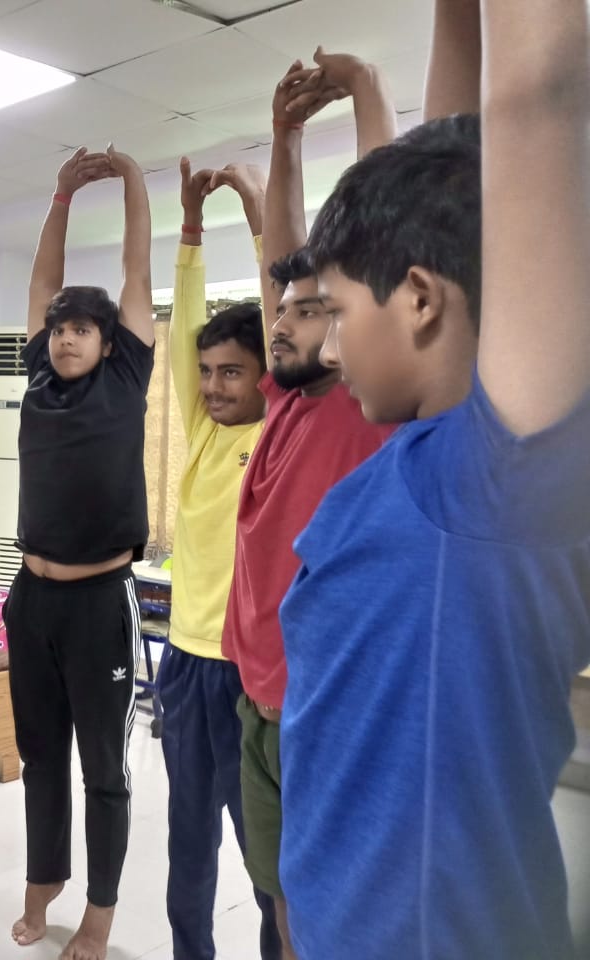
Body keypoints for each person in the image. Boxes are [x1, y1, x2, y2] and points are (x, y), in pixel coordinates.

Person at [278, 0, 590, 956]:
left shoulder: (489, 485)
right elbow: (453, 175)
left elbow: (533, 99)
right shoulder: (424, 452)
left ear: (417, 299)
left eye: (335, 313)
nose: (328, 348)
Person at [220, 52, 399, 958]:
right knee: (279, 901)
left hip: (327, 710)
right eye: (282, 310)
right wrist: (284, 135)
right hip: (258, 701)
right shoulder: (287, 398)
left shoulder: (366, 411)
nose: (281, 322)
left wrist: (366, 92)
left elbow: (389, 231)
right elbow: (279, 256)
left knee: (332, 914)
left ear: (354, 323)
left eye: (307, 311)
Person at [4, 145, 150, 960]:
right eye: (59, 328)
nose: (64, 338)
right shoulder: (37, 378)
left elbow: (137, 269)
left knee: (103, 768)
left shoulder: (125, 378)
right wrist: (59, 193)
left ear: (107, 340)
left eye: (81, 329)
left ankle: (99, 912)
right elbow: (40, 283)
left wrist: (130, 179)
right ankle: (43, 881)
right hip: (32, 599)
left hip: (100, 601)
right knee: (39, 757)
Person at [159, 156, 280, 960]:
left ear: (266, 377)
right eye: (206, 373)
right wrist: (192, 231)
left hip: (249, 675)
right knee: (188, 841)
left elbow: (281, 312)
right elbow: (183, 331)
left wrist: (256, 208)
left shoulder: (279, 436)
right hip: (184, 664)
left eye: (231, 372)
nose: (212, 386)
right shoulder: (205, 433)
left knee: (266, 857)